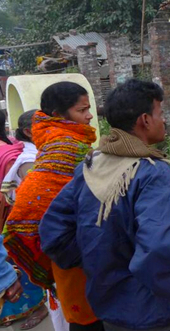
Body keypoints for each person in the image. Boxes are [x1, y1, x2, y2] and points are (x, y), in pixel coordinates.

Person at [40, 79, 170, 331]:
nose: (164, 120)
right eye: (161, 113)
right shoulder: (154, 175)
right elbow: (157, 250)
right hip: (150, 312)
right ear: (145, 120)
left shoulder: (92, 165)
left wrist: (99, 260)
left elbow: (53, 231)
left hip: (108, 306)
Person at [3, 82, 101, 331]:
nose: (89, 115)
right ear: (58, 115)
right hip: (73, 252)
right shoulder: (64, 149)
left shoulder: (57, 142)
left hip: (74, 248)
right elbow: (30, 206)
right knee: (88, 320)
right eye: (82, 110)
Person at [0, 110, 49, 329]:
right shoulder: (17, 153)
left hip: (16, 220)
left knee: (23, 268)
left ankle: (36, 306)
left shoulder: (14, 156)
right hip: (11, 220)